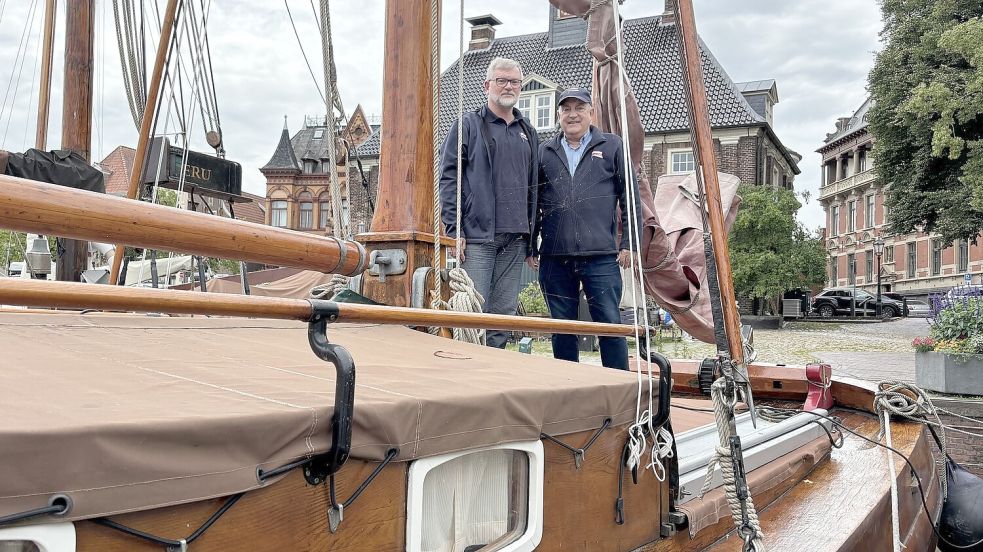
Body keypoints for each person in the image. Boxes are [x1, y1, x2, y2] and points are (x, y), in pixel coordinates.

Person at [528, 87, 639, 369]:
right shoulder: (545, 152)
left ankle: (618, 388)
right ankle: (569, 388)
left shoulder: (612, 146)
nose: (573, 114)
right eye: (566, 109)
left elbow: (630, 198)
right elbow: (534, 203)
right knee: (562, 328)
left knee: (610, 325)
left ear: (591, 113)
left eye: (579, 108)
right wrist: (532, 245)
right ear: (558, 116)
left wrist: (629, 244)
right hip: (555, 257)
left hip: (600, 256)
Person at [439, 57, 540, 348]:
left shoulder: (529, 132)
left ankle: (493, 369)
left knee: (504, 313)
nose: (508, 86)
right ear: (487, 85)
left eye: (514, 82)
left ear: (520, 87)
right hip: (479, 236)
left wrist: (533, 242)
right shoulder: (468, 125)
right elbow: (449, 178)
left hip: (516, 237)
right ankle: (468, 371)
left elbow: (534, 190)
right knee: (473, 308)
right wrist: (454, 227)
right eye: (502, 80)